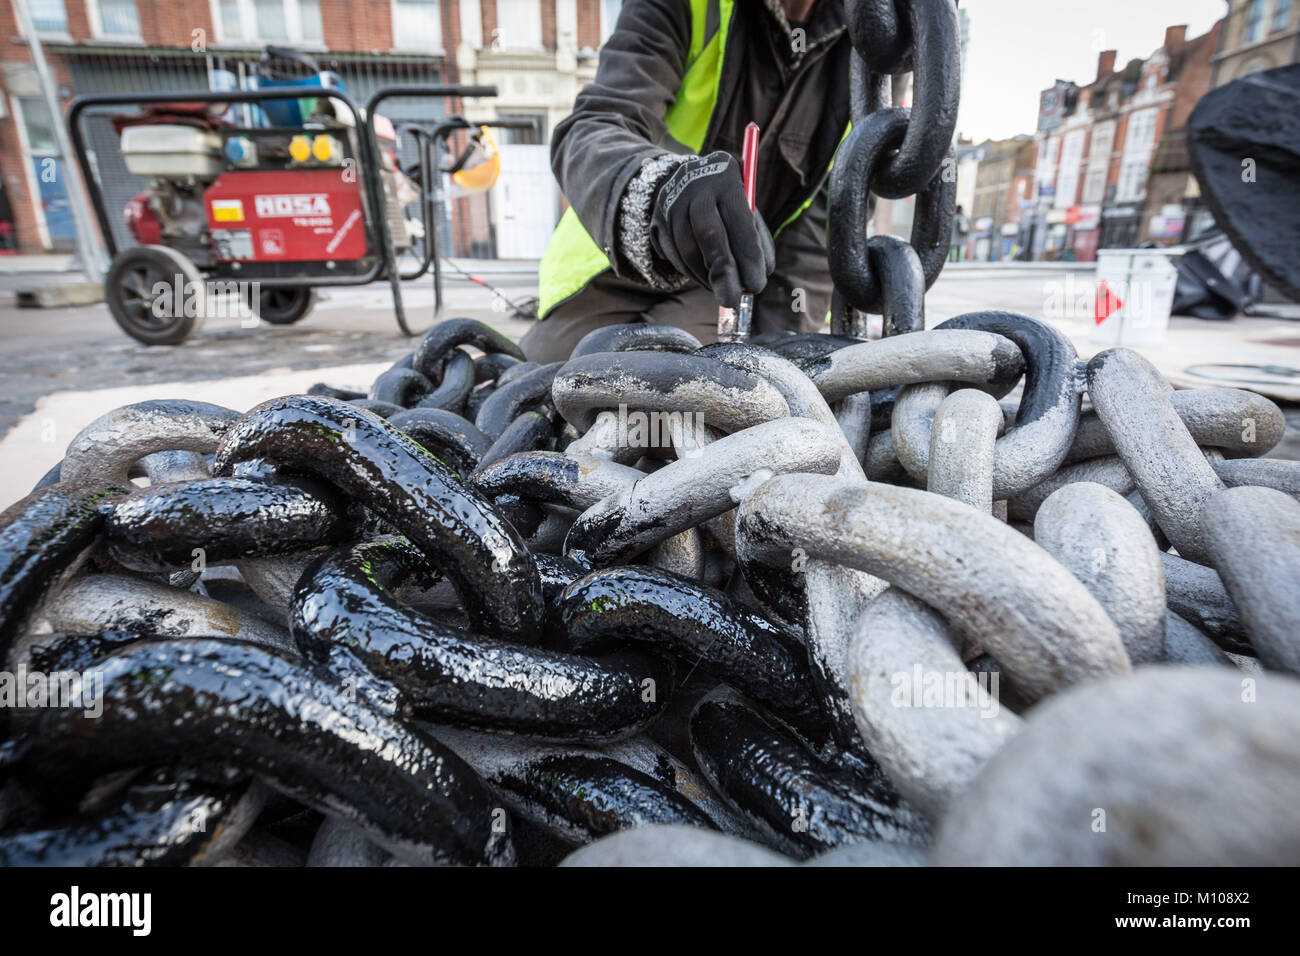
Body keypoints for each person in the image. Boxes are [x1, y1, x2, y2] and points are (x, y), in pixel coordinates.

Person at [520, 0, 851, 363]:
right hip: (610, 262)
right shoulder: (689, 7)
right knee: (544, 388)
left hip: (721, 287)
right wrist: (663, 192)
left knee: (679, 390)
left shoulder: (869, 47)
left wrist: (773, 358)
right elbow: (595, 126)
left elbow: (816, 233)